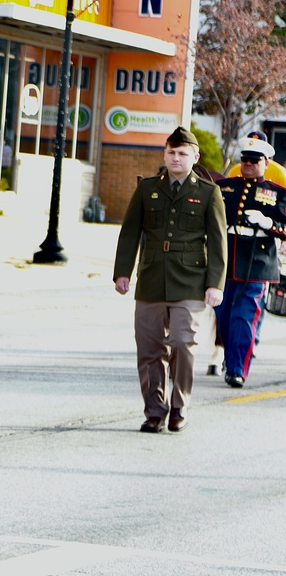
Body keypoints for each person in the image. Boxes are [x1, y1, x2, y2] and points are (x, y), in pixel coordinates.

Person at [113, 126, 227, 433]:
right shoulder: (148, 188)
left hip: (190, 280)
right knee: (149, 350)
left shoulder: (208, 192)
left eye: (182, 153)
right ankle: (154, 411)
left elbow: (217, 242)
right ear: (165, 154)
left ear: (194, 157)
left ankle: (179, 404)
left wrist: (216, 283)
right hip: (151, 279)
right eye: (171, 152)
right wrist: (122, 272)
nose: (176, 158)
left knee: (182, 342)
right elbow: (130, 232)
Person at [215, 134, 286, 388]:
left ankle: (237, 369)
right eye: (245, 159)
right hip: (226, 260)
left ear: (266, 162)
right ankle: (229, 357)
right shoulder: (225, 188)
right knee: (223, 318)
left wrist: (269, 224)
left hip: (256, 263)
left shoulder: (278, 194)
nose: (248, 164)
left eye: (255, 160)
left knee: (244, 317)